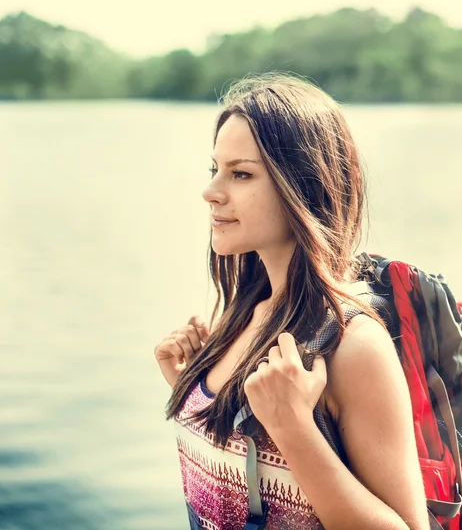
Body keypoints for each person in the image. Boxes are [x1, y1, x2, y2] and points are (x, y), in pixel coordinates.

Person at [154, 73, 429, 530]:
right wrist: (194, 393)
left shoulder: (352, 345)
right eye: (215, 169)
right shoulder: (246, 316)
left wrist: (294, 429)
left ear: (303, 185)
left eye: (241, 174)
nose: (211, 191)